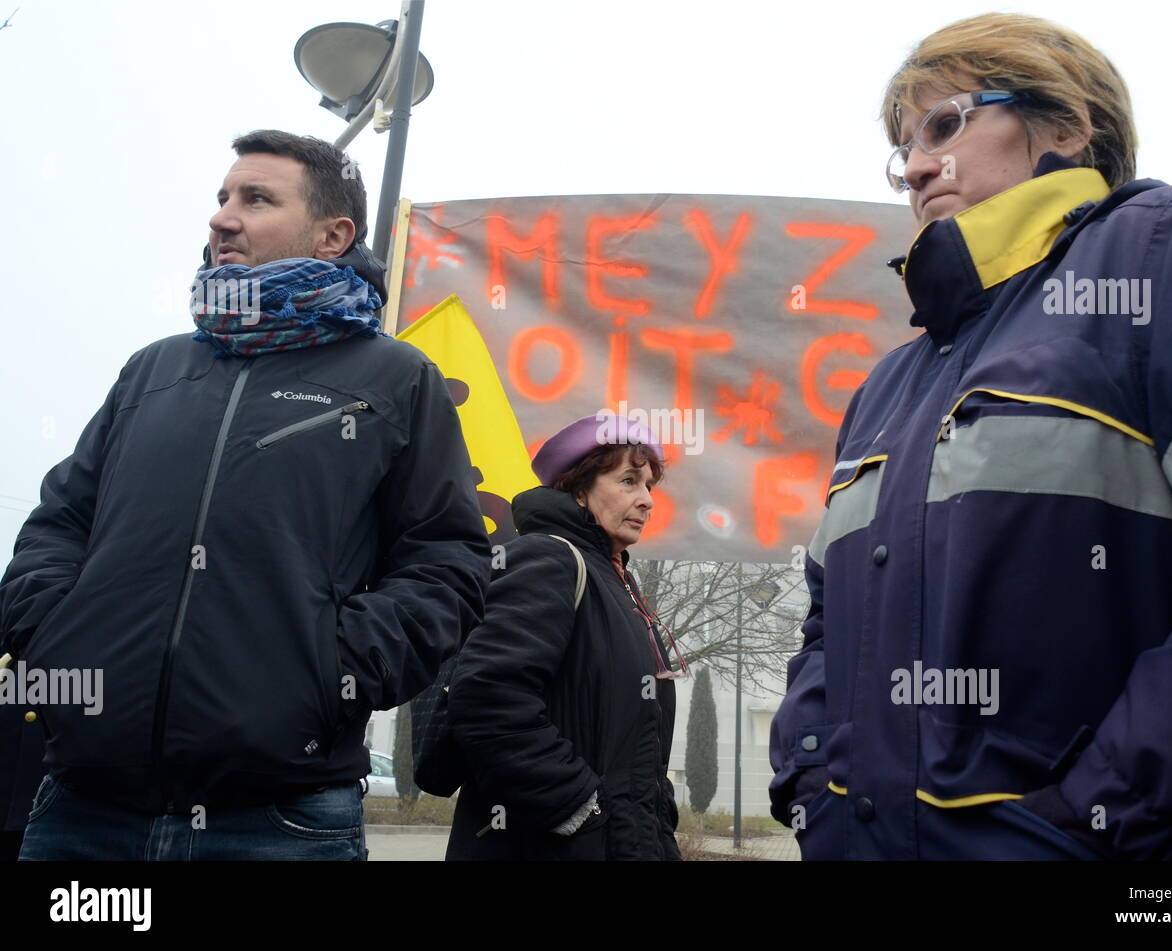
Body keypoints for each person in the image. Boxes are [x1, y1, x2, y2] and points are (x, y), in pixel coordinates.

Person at [769, 13, 1172, 860]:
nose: (913, 167)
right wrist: (810, 778)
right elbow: (827, 624)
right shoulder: (886, 384)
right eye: (903, 146)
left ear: (1064, 126)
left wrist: (1111, 809)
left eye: (945, 124)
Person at [0, 130, 491, 861]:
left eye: (255, 199)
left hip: (280, 820)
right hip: (83, 810)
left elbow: (446, 562)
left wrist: (332, 673)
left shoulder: (396, 379)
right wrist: (54, 633)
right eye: (223, 197)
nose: (222, 217)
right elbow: (59, 525)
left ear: (334, 235)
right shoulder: (153, 370)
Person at [447, 415, 686, 860]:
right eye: (629, 481)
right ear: (578, 489)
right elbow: (486, 699)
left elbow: (637, 743)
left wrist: (658, 822)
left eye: (650, 485)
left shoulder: (619, 584)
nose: (646, 500)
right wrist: (580, 811)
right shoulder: (549, 559)